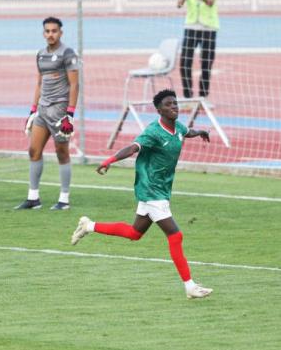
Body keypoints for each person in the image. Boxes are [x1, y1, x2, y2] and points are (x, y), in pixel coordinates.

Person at [70, 89, 212, 299]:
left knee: (135, 233)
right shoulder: (153, 132)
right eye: (168, 104)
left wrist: (199, 132)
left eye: (175, 103)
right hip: (151, 189)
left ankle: (89, 226)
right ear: (158, 110)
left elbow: (186, 132)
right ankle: (190, 286)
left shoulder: (178, 128)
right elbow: (132, 148)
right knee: (175, 235)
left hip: (160, 188)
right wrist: (110, 161)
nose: (174, 107)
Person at [15, 16, 79, 211]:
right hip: (42, 110)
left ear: (60, 33)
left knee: (61, 153)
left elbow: (75, 84)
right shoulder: (40, 54)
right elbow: (39, 83)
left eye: (54, 31)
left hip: (60, 110)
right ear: (43, 33)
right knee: (33, 151)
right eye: (47, 31)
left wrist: (70, 114)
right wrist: (32, 110)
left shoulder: (67, 54)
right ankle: (33, 198)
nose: (51, 34)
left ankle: (64, 199)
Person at [177, 0, 219, 99]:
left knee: (206, 63)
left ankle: (203, 97)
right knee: (185, 63)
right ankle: (188, 97)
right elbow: (179, 4)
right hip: (191, 27)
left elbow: (211, 2)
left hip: (208, 28)